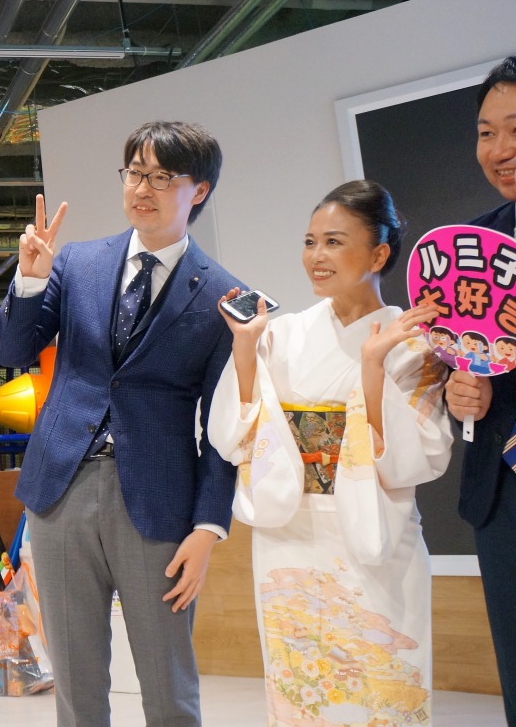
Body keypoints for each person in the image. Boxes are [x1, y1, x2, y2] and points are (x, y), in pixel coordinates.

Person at [0, 121, 239, 727]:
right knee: (76, 685)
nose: (142, 188)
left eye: (162, 177)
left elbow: (224, 427)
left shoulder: (225, 297)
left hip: (158, 504)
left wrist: (209, 527)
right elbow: (11, 351)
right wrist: (30, 278)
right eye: (135, 173)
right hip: (60, 492)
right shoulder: (77, 263)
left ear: (200, 190)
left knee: (168, 684)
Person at [207, 179, 451, 725]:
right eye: (310, 241)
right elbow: (233, 435)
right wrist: (245, 344)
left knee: (379, 681)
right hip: (288, 532)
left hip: (372, 529)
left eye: (334, 242)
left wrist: (373, 366)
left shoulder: (415, 342)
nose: (316, 256)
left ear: (379, 255)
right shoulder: (281, 333)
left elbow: (417, 458)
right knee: (302, 684)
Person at [443, 54, 516, 725]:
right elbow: (462, 357)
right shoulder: (478, 244)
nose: (499, 149)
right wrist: (458, 393)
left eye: (515, 129)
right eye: (486, 132)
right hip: (502, 492)